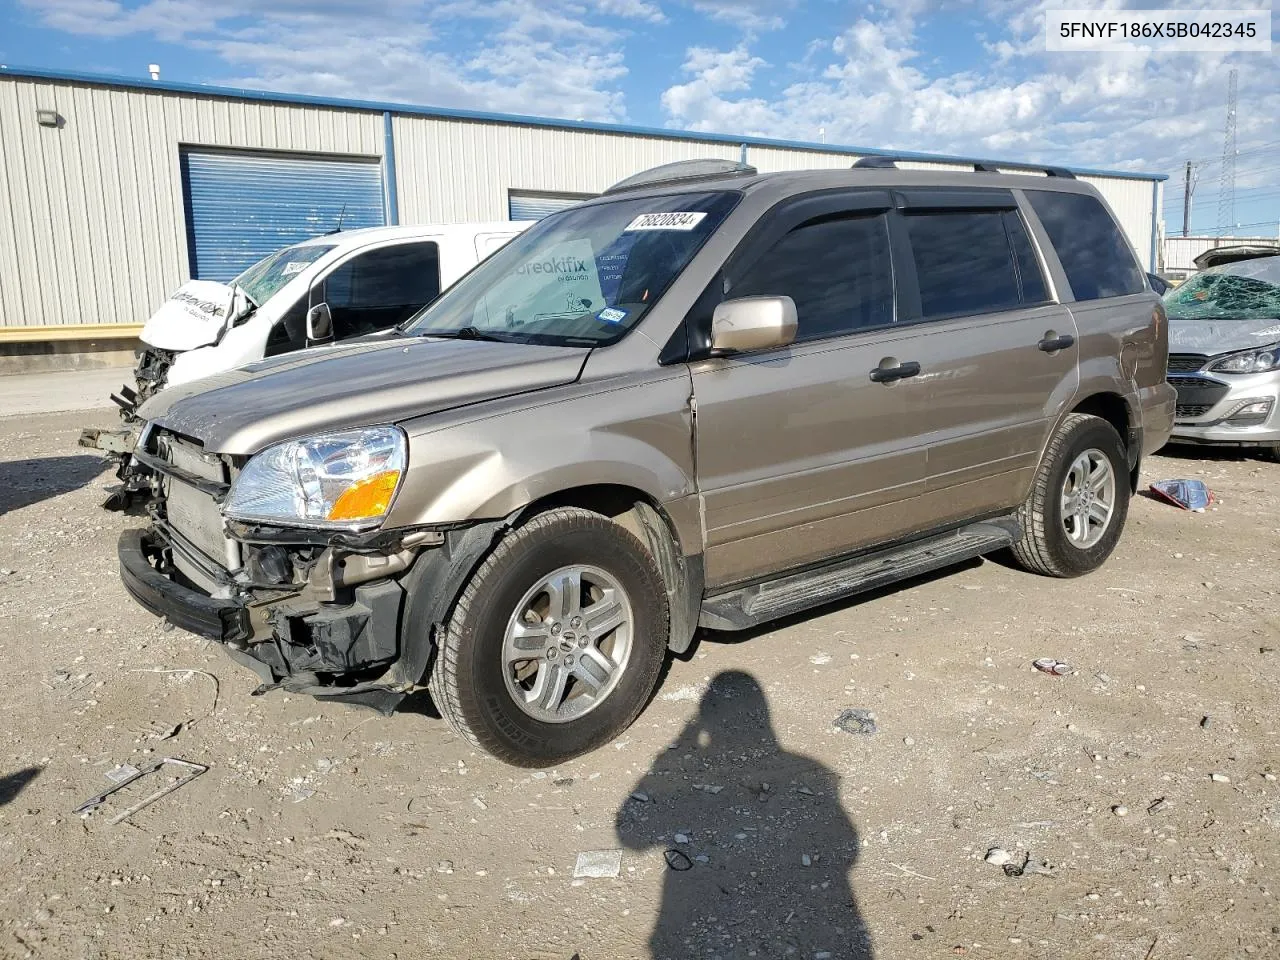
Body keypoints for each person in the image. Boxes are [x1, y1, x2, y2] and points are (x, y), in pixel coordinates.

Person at [617, 670, 874, 959]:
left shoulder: (807, 770)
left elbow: (630, 837)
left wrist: (671, 751)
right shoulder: (810, 768)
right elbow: (847, 847)